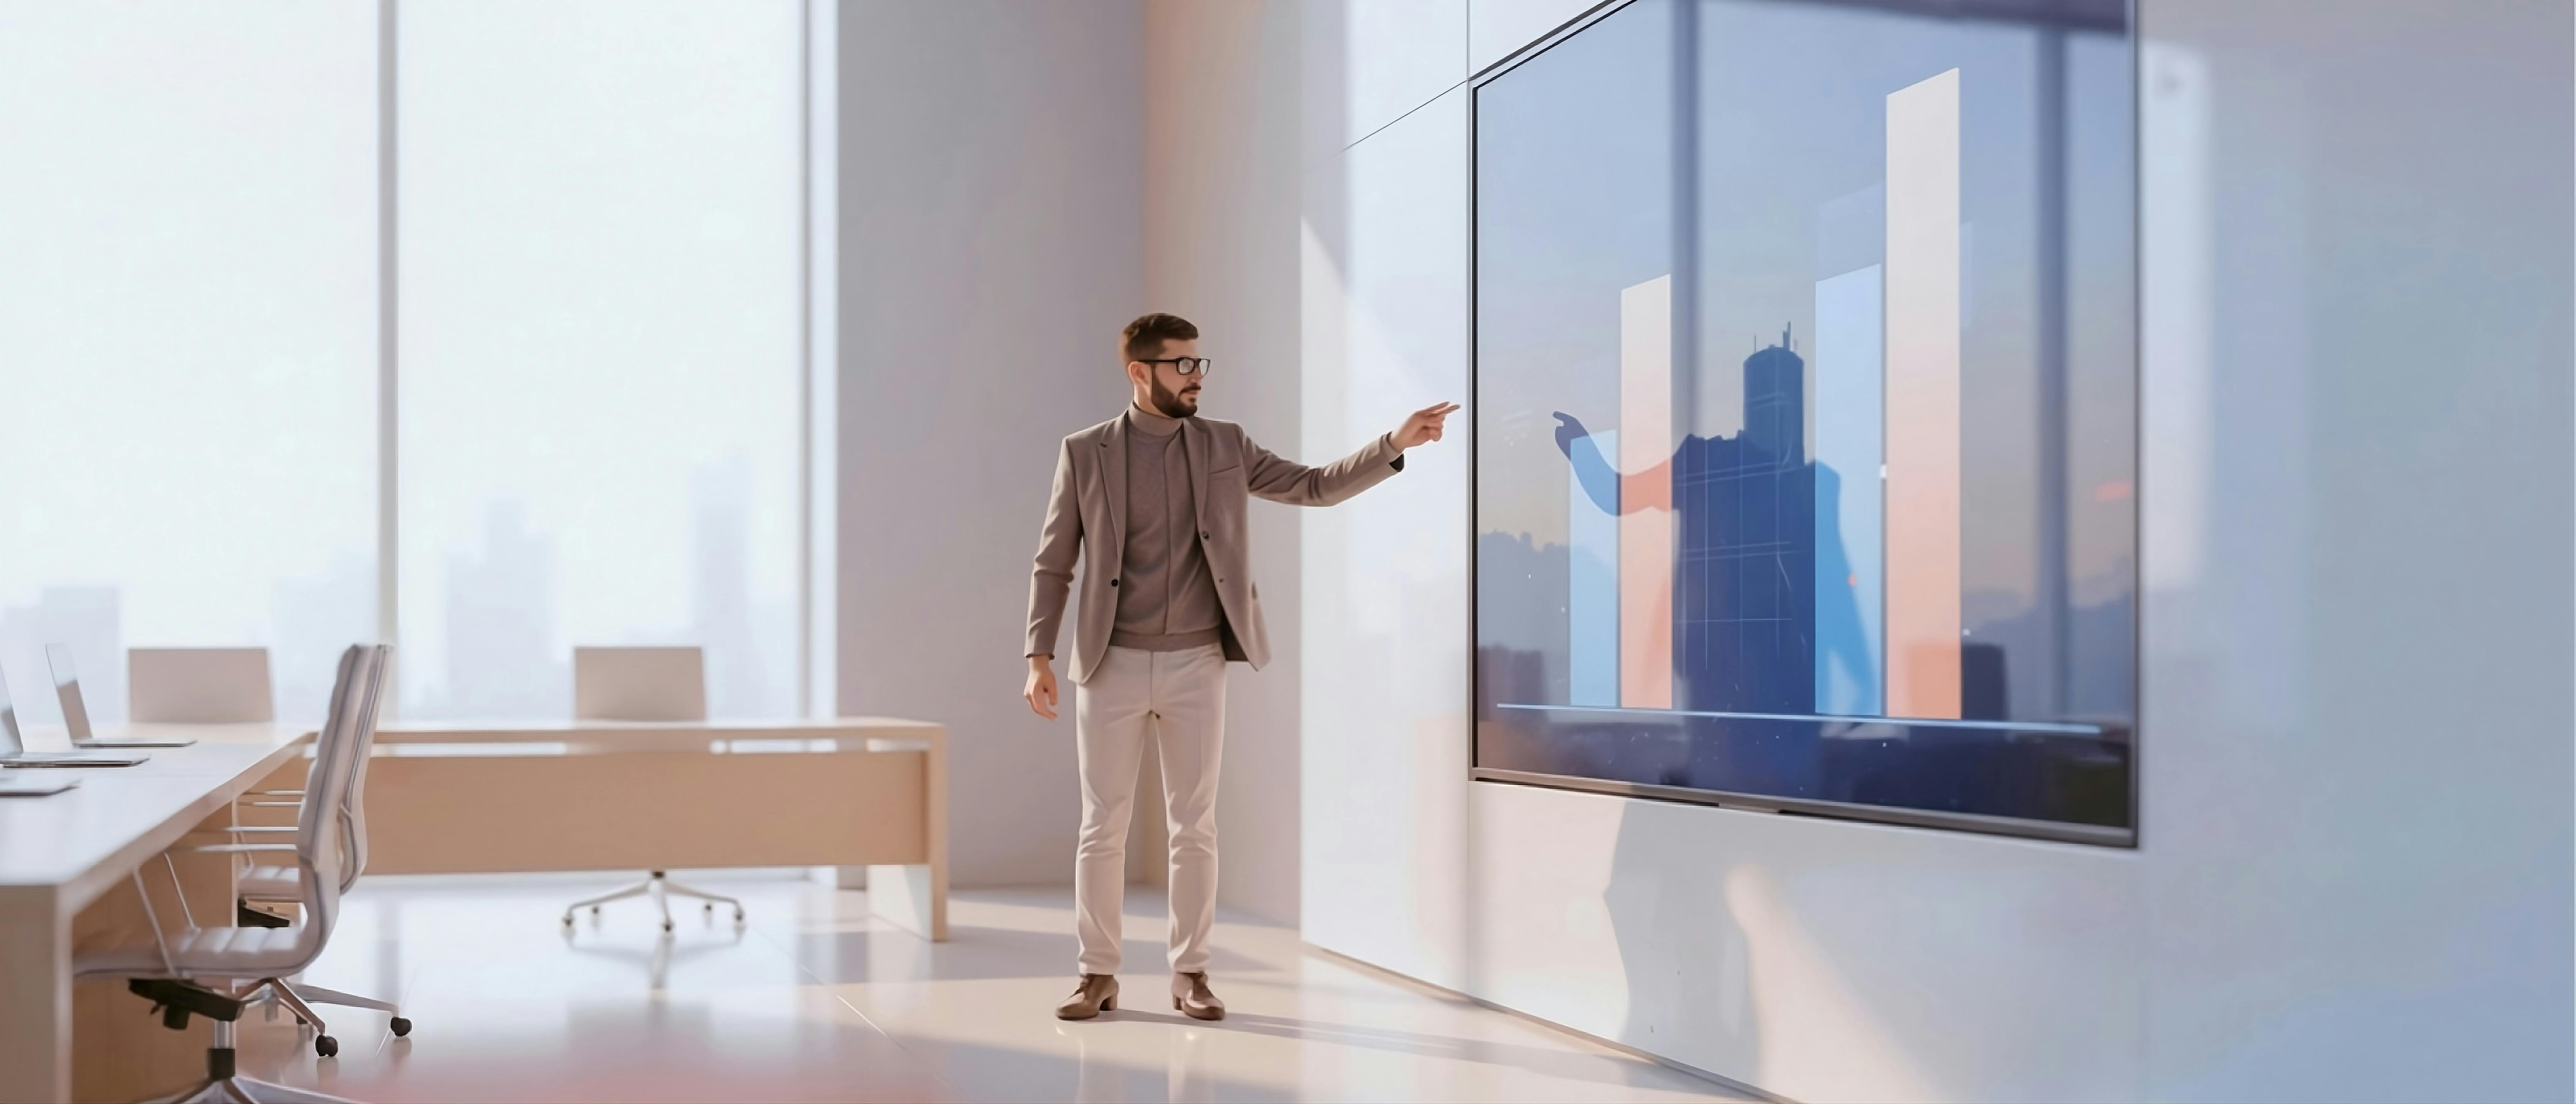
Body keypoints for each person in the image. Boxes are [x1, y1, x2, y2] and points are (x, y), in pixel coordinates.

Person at [1023, 312, 1457, 1022]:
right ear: (1140, 372)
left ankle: (1190, 972)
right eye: (1181, 365)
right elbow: (1054, 560)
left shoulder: (1224, 444)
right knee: (1103, 825)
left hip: (1198, 661)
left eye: (1200, 364)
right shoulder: (1085, 452)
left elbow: (1313, 485)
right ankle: (1096, 973)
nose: (1196, 376)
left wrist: (1393, 445)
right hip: (1110, 663)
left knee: (1193, 825)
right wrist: (1038, 653)